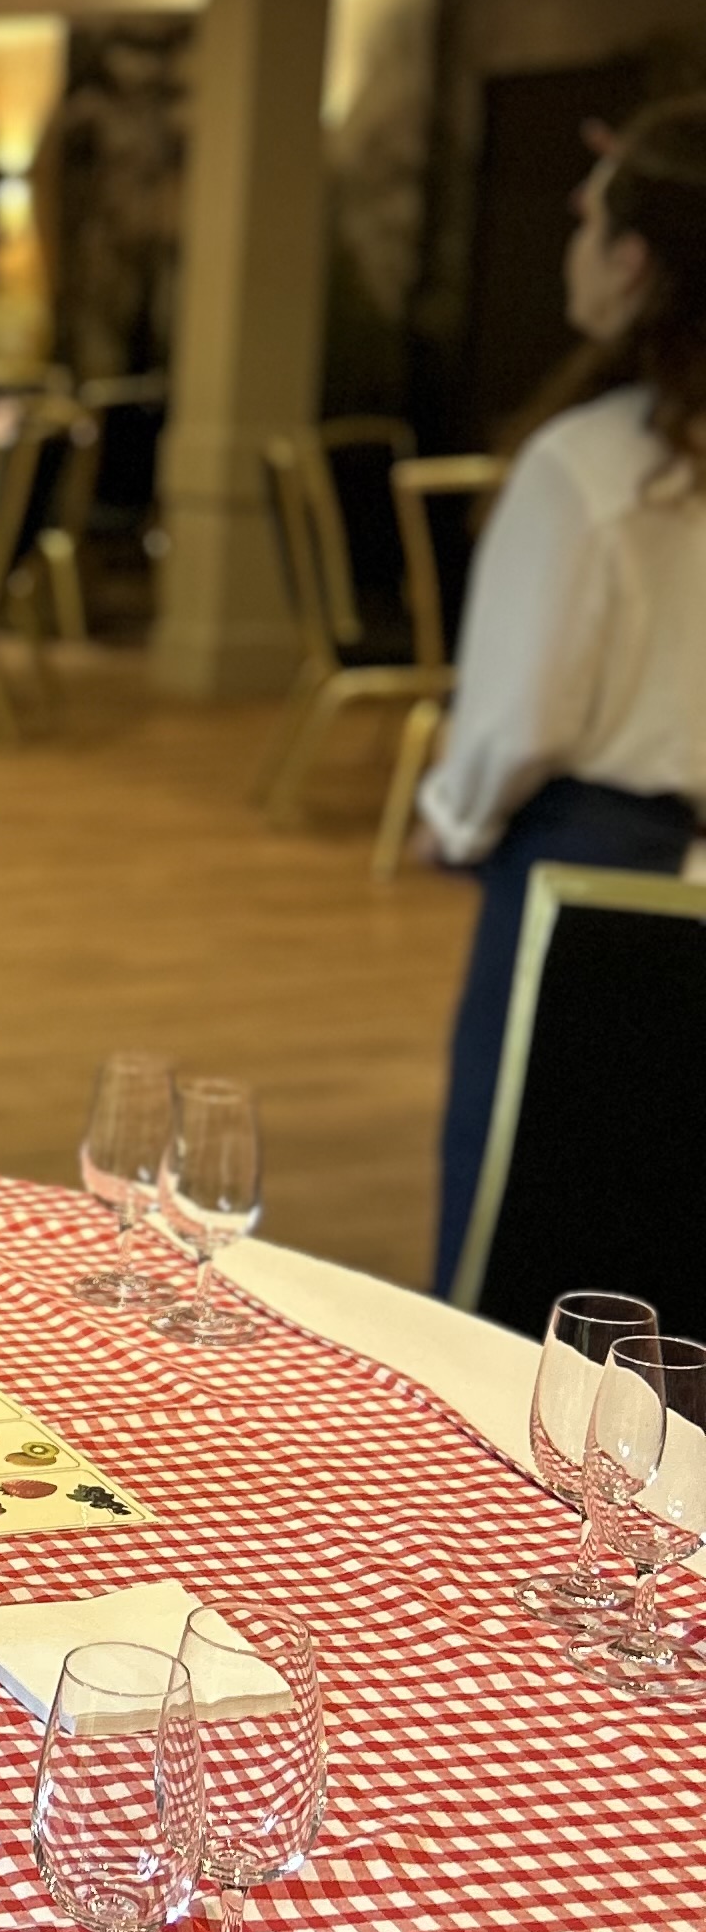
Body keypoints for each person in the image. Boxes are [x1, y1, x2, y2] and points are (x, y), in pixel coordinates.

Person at [421, 96, 706, 1292]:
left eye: (586, 218)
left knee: (522, 1244)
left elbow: (519, 723)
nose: (573, 242)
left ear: (634, 259)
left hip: (577, 876)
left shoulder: (588, 467)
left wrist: (456, 823)